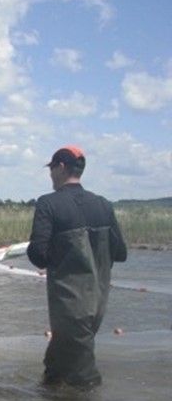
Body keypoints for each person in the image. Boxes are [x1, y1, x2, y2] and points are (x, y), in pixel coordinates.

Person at [27, 146, 127, 387]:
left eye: (51, 168)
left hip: (69, 304)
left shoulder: (48, 204)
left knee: (85, 378)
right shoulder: (103, 205)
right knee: (56, 367)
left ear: (61, 167)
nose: (50, 174)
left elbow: (38, 255)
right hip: (97, 303)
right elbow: (121, 253)